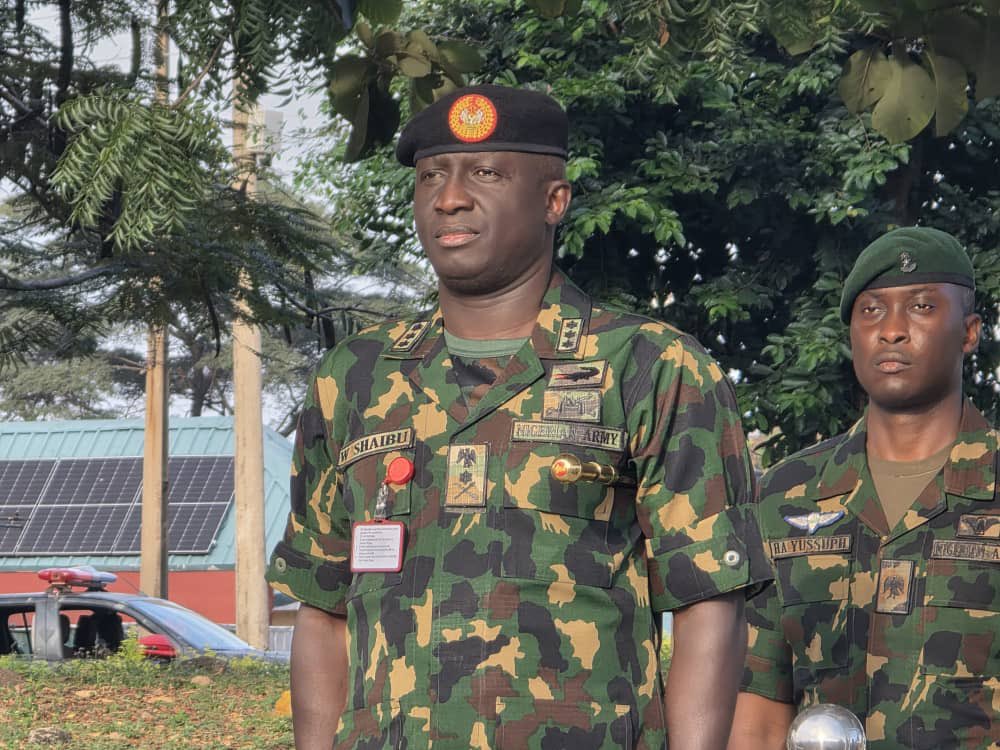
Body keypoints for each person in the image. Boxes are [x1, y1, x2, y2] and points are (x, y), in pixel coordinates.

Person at [267, 84, 769, 750]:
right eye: (431, 177)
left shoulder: (650, 366)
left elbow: (709, 602)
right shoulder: (355, 378)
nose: (449, 197)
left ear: (553, 200)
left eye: (486, 174)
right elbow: (324, 609)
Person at [729, 227, 999, 750]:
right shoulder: (787, 495)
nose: (891, 331)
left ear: (969, 333)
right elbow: (758, 706)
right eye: (871, 311)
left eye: (921, 307)